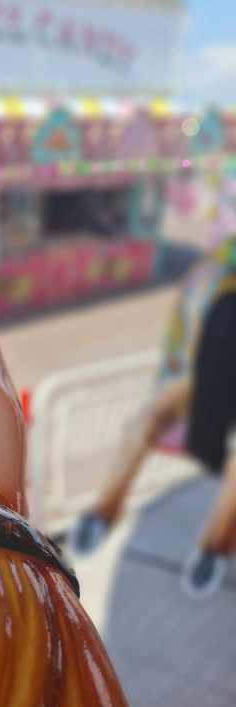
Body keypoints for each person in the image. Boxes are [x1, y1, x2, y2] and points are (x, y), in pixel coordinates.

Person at [70, 236, 236, 598]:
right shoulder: (222, 260)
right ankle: (103, 511)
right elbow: (188, 315)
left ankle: (213, 547)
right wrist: (172, 373)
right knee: (145, 420)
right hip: (203, 372)